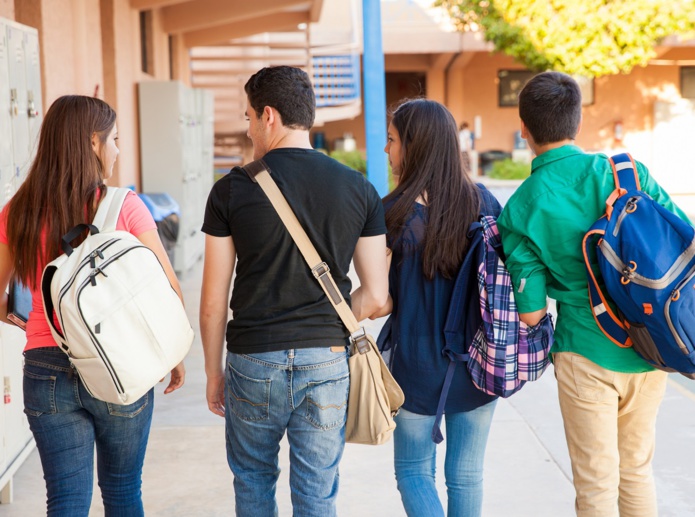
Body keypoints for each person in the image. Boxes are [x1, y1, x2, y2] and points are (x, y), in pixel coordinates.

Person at [497, 71, 689, 517]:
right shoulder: (627, 172)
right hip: (652, 345)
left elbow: (530, 314)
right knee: (637, 470)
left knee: (596, 482)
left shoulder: (522, 207)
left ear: (523, 129)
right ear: (577, 123)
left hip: (585, 351)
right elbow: (681, 242)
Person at [199, 66, 388, 517]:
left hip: (253, 359)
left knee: (252, 481)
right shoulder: (360, 188)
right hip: (325, 359)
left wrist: (213, 374)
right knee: (317, 492)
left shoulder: (230, 191)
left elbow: (211, 304)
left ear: (269, 116)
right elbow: (377, 296)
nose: (247, 131)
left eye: (247, 118)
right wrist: (330, 315)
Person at [0, 95, 185, 515]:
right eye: (115, 139)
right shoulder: (125, 205)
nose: (118, 150)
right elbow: (167, 286)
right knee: (122, 491)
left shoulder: (18, 211)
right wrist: (170, 353)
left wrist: (20, 320)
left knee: (65, 500)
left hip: (46, 363)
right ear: (93, 143)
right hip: (121, 360)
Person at [372, 98, 500, 517]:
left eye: (391, 141)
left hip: (413, 365)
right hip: (479, 362)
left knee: (412, 471)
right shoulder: (485, 204)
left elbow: (381, 300)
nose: (386, 150)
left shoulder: (391, 214)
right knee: (467, 474)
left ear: (414, 145)